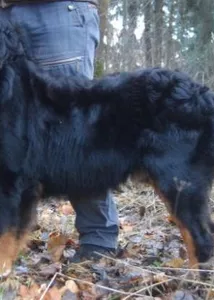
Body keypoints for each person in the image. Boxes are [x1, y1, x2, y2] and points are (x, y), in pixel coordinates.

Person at [0, 0, 119, 262]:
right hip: (5, 13)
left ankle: (98, 241)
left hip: (57, 11)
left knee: (73, 131)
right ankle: (7, 239)